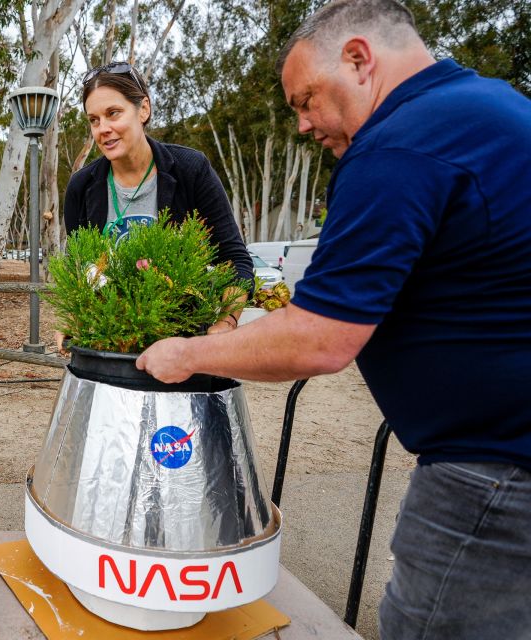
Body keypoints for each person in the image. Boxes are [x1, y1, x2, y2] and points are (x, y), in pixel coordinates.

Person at [136, 1, 531, 638]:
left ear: (358, 59)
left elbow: (320, 338)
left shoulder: (401, 143)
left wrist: (184, 352)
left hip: (496, 471)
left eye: (307, 99)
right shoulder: (491, 109)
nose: (301, 124)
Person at [62, 60, 253, 341]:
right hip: (111, 342)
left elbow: (235, 260)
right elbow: (77, 268)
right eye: (94, 120)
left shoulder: (191, 170)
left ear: (144, 109)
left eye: (113, 113)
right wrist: (73, 323)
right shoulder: (82, 185)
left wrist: (225, 323)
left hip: (183, 339)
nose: (103, 128)